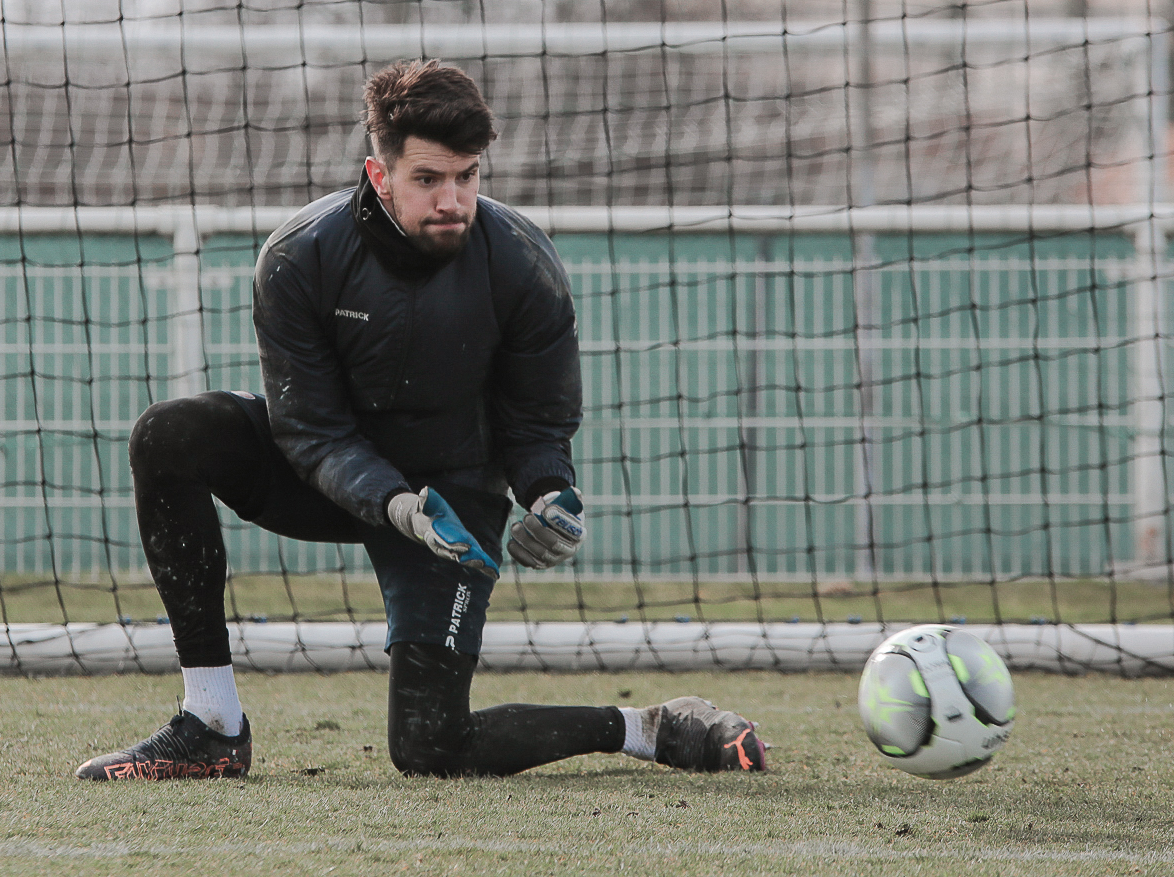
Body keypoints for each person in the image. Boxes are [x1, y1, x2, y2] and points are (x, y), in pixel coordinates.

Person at [75, 59, 766, 781]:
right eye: (428, 179)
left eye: (467, 176)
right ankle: (212, 724)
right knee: (170, 433)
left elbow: (538, 423)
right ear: (379, 175)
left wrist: (549, 495)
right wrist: (395, 503)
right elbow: (310, 430)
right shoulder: (298, 257)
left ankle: (651, 729)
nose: (453, 200)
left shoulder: (524, 264)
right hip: (328, 474)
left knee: (431, 746)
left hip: (452, 505)